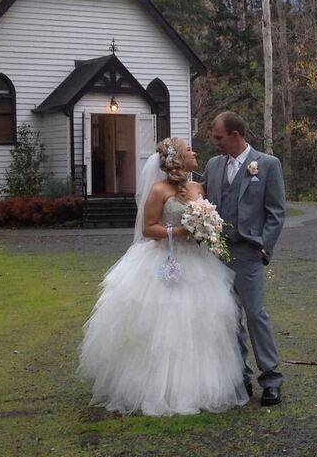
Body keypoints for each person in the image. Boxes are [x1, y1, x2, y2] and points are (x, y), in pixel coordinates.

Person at [78, 137, 249, 416]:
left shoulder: (198, 187)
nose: (195, 152)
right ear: (179, 160)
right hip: (164, 260)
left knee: (201, 323)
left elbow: (207, 218)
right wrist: (179, 232)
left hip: (197, 263)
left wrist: (206, 227)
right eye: (189, 150)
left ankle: (197, 387)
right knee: (163, 324)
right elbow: (148, 229)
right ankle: (153, 388)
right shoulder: (158, 190)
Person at [205, 111, 286, 407]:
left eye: (218, 137)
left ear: (235, 136)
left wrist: (264, 247)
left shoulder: (267, 165)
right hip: (216, 254)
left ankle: (271, 379)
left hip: (248, 253)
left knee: (255, 314)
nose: (214, 142)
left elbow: (277, 212)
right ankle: (240, 377)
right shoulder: (213, 166)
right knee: (228, 318)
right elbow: (205, 204)